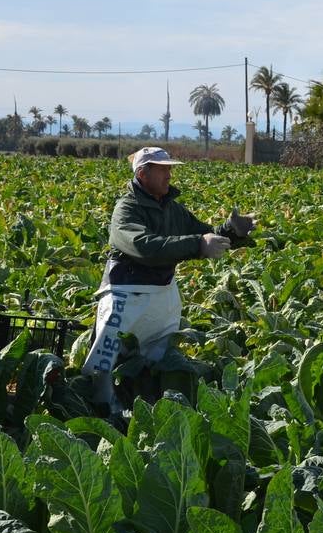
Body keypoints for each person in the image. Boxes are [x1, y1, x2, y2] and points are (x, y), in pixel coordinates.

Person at [82, 146, 254, 414]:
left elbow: (204, 235)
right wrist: (197, 244)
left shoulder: (173, 209)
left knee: (156, 358)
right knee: (106, 361)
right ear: (142, 173)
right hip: (127, 293)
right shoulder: (126, 209)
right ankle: (99, 409)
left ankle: (148, 407)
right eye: (163, 169)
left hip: (162, 295)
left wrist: (232, 231)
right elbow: (144, 246)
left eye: (170, 168)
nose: (169, 174)